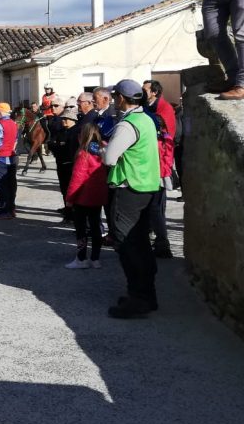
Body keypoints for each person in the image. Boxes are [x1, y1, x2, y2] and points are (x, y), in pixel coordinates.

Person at [102, 79, 161, 319]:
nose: (115, 101)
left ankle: (138, 299)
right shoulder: (146, 118)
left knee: (127, 245)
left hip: (129, 189)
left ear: (122, 99)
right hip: (147, 187)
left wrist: (101, 149)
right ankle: (147, 296)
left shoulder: (127, 125)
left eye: (116, 97)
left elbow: (109, 159)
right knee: (142, 244)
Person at [64, 123, 108, 269]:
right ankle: (95, 258)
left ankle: (81, 258)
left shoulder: (84, 154)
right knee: (96, 227)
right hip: (98, 196)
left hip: (83, 198)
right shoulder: (103, 151)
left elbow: (77, 179)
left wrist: (69, 199)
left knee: (81, 229)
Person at [142, 80, 177, 258]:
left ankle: (163, 244)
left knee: (156, 207)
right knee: (151, 207)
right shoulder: (147, 106)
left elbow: (168, 139)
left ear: (154, 92)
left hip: (159, 164)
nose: (142, 92)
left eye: (145, 89)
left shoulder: (164, 109)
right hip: (151, 163)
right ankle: (151, 239)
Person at [0, 102, 18, 219]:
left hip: (1, 158)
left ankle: (5, 210)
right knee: (11, 184)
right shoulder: (13, 123)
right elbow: (15, 141)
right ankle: (11, 208)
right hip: (11, 157)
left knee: (2, 185)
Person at [51, 109, 79, 221]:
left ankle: (72, 214)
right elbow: (53, 143)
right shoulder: (61, 131)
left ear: (72, 120)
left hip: (71, 165)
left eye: (65, 119)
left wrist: (58, 146)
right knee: (63, 189)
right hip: (60, 163)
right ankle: (67, 212)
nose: (63, 121)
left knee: (70, 190)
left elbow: (70, 149)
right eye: (62, 119)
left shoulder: (76, 132)